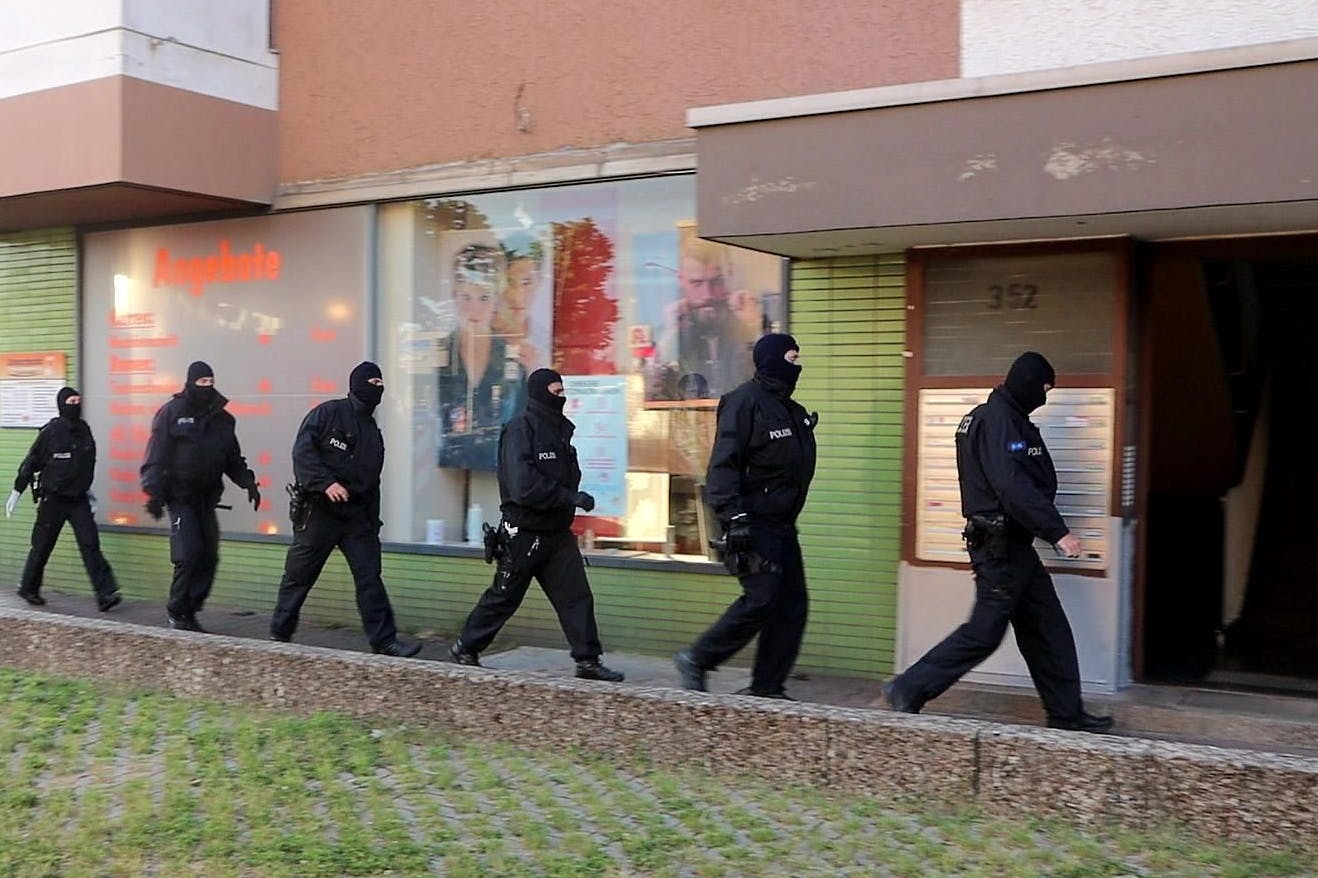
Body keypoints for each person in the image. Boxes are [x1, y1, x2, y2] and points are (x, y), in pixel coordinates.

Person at [881, 352, 1114, 733]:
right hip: (1000, 547)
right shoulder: (998, 421)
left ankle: (1066, 714)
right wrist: (1058, 531)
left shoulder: (1001, 418)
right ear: (1028, 382)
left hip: (1014, 547)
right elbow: (1012, 486)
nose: (1045, 398)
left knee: (1047, 630)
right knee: (984, 632)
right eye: (1044, 389)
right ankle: (908, 687)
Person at [448, 368, 625, 682]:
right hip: (524, 532)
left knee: (576, 596)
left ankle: (588, 660)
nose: (562, 397)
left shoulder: (560, 432)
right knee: (504, 596)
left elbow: (566, 474)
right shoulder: (520, 430)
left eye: (562, 390)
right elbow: (523, 486)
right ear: (540, 393)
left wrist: (571, 497)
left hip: (556, 533)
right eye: (556, 392)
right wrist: (568, 497)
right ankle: (465, 647)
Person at [674, 334, 818, 699]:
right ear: (771, 360)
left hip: (782, 525)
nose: (797, 365)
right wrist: (733, 518)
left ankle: (767, 686)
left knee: (792, 605)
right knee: (761, 597)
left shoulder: (793, 411)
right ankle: (698, 658)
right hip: (751, 521)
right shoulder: (743, 403)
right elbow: (723, 467)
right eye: (792, 357)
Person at [269, 362, 422, 657]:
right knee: (299, 575)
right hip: (319, 511)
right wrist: (325, 484)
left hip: (356, 518)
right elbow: (303, 452)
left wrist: (373, 523)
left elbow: (372, 483)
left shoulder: (374, 435)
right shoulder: (328, 414)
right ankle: (280, 632)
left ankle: (385, 641)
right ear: (357, 384)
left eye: (381, 382)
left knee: (369, 577)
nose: (378, 387)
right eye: (372, 381)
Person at [140, 361, 260, 633]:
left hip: (206, 497)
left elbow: (232, 458)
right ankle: (177, 610)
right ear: (190, 382)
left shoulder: (223, 418)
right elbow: (156, 455)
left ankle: (191, 608)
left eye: (210, 382)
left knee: (209, 555)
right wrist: (154, 493)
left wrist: (248, 482)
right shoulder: (171, 413)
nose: (206, 387)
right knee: (189, 552)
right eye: (202, 382)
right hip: (179, 496)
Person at [5, 387, 122, 611]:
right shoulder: (51, 432)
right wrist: (16, 492)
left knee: (90, 544)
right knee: (42, 546)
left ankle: (106, 593)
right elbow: (31, 462)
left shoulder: (84, 430)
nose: (75, 404)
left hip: (78, 499)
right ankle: (29, 587)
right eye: (71, 401)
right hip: (54, 499)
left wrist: (88, 492)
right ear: (61, 405)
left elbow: (86, 464)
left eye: (78, 400)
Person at [437, 241, 527, 471]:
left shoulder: (513, 357)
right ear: (453, 295)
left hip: (502, 470)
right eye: (466, 297)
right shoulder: (440, 354)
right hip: (448, 468)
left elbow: (524, 421)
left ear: (496, 298)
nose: (474, 309)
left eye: (484, 297)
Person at [651, 240, 763, 401]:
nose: (708, 294)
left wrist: (752, 326)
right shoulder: (676, 333)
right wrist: (671, 335)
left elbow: (772, 381)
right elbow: (655, 395)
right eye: (697, 283)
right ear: (681, 281)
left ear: (729, 277)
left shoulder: (743, 327)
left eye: (716, 282)